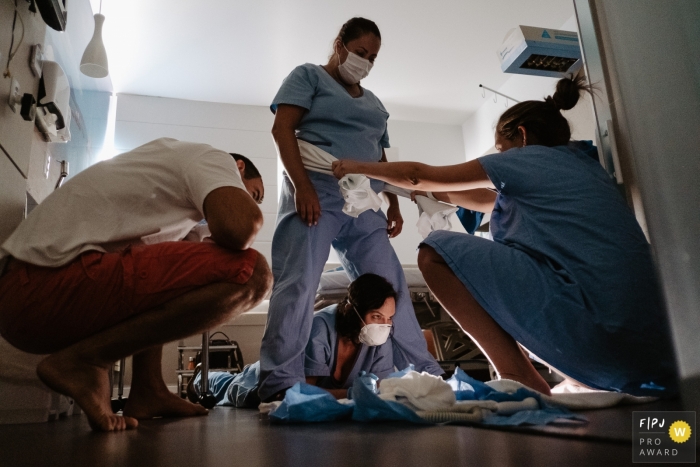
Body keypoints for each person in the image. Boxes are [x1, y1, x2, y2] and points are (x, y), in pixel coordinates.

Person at [332, 76, 678, 397]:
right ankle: (560, 375)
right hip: (662, 355)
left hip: (603, 347)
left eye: (501, 148)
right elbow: (483, 199)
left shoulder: (526, 160)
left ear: (522, 136)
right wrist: (415, 194)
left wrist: (358, 166)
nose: (499, 156)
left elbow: (418, 174)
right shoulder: (583, 168)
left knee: (435, 251)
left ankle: (518, 376)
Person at [0, 138, 273, 431]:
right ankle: (87, 360)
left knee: (173, 275)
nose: (251, 201)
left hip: (24, 299)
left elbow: (170, 285)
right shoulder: (213, 157)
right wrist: (243, 212)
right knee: (253, 273)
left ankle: (148, 389)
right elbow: (240, 226)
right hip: (38, 285)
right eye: (253, 194)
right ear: (239, 167)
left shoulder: (173, 209)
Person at [258, 17, 442, 402]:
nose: (365, 62)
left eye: (372, 57)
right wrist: (302, 187)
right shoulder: (308, 76)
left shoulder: (375, 103)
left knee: (391, 290)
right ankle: (280, 382)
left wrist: (392, 202)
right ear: (339, 44)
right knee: (299, 284)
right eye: (360, 53)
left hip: (366, 202)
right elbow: (282, 130)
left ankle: (423, 375)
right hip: (317, 191)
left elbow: (380, 155)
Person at [189, 273, 396, 406]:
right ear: (353, 311)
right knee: (233, 387)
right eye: (376, 316)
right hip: (261, 381)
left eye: (389, 319)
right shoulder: (320, 328)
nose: (383, 326)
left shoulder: (380, 341)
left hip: (325, 395)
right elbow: (301, 391)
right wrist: (351, 394)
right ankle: (201, 377)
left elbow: (380, 390)